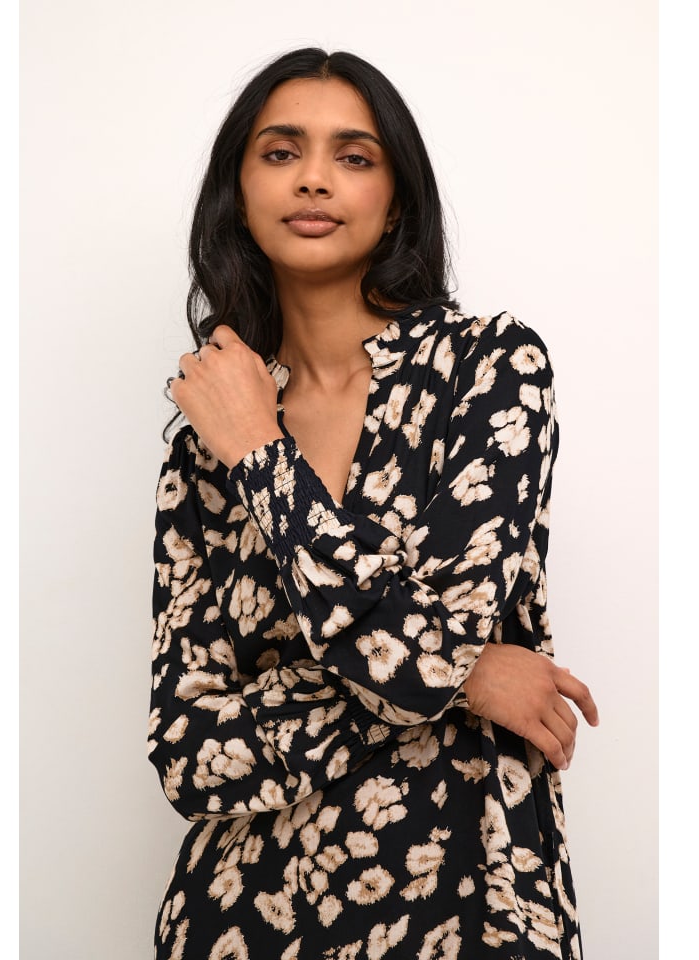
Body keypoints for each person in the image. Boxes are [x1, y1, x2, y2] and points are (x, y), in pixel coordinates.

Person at [148, 47, 599, 960]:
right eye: (281, 152)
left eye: (353, 156)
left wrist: (263, 455)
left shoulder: (488, 368)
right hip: (239, 920)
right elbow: (189, 756)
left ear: (396, 200)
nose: (314, 178)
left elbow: (426, 655)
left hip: (470, 902)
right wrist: (471, 679)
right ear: (238, 193)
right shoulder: (206, 440)